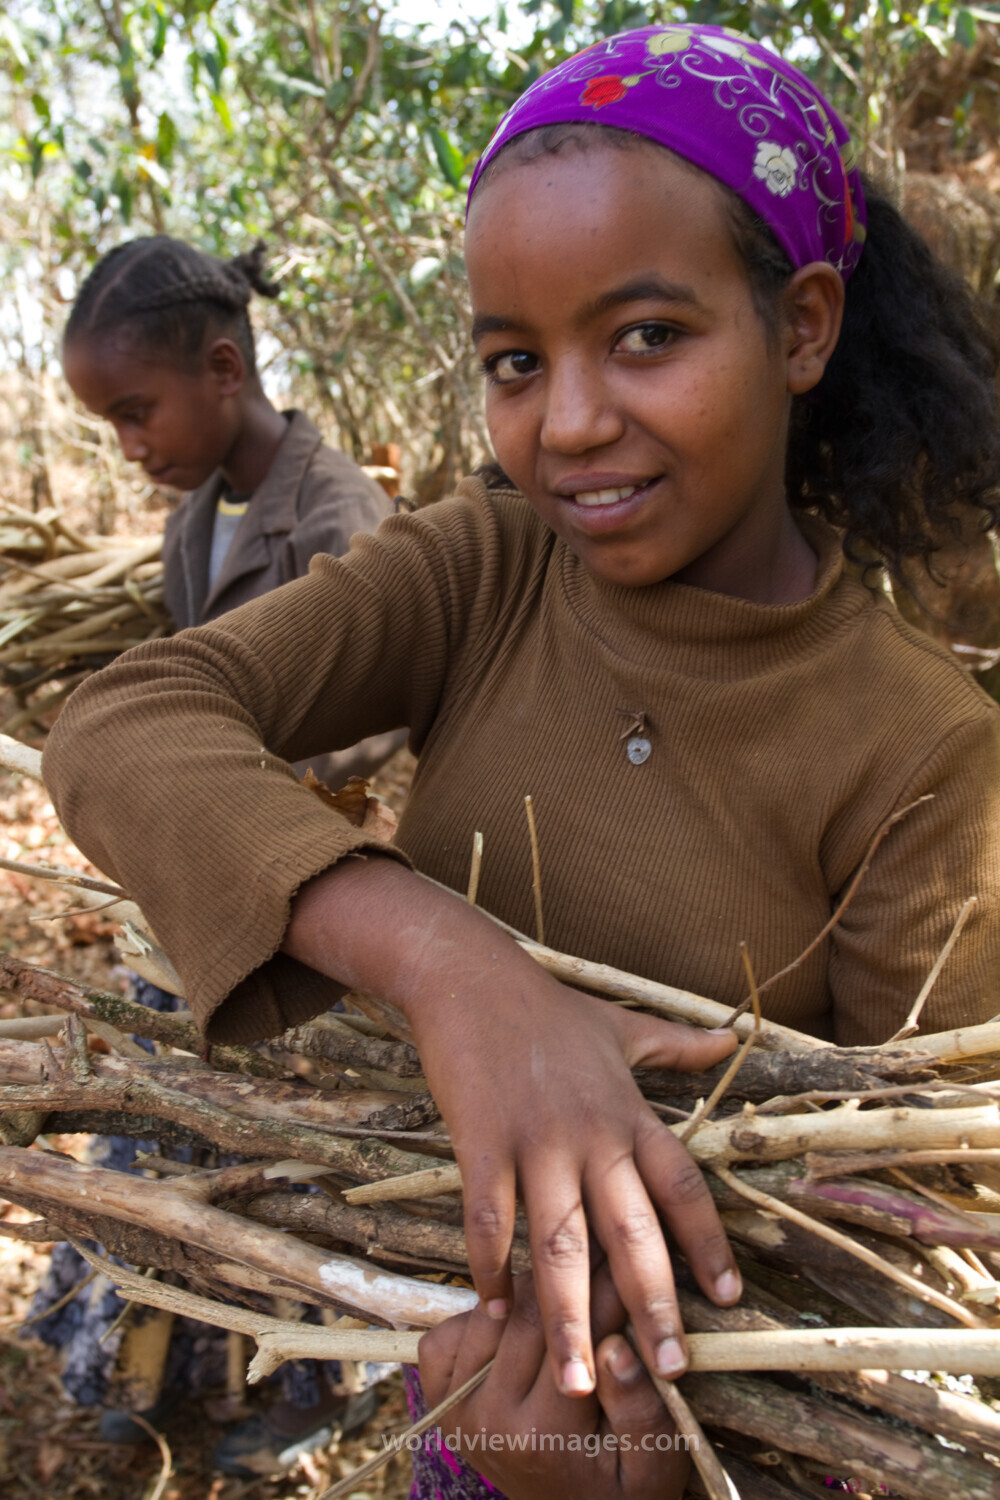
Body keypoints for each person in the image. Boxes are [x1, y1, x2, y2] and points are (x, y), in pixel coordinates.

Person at [42, 23, 1000, 1499]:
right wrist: (463, 974)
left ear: (802, 326)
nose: (565, 425)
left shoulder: (920, 751)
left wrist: (626, 1478)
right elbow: (121, 727)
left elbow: (909, 1268)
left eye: (647, 337)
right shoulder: (486, 570)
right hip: (440, 1380)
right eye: (512, 359)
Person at [29, 235, 402, 1473]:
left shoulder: (340, 511)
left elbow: (383, 704)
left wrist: (244, 757)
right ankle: (149, 1359)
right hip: (197, 877)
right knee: (168, 1109)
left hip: (302, 883)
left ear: (225, 368)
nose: (129, 443)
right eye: (112, 423)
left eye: (136, 411)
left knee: (288, 1141)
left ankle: (314, 1376)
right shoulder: (199, 523)